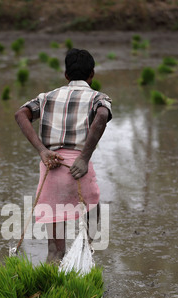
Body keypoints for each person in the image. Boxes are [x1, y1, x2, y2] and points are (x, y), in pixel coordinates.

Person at [15, 48, 112, 262]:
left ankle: (52, 286)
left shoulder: (47, 97)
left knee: (55, 250)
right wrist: (84, 158)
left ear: (66, 75)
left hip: (51, 168)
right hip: (79, 168)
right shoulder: (98, 97)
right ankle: (85, 268)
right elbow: (103, 114)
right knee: (92, 222)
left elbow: (20, 114)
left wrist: (42, 150)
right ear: (92, 74)